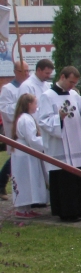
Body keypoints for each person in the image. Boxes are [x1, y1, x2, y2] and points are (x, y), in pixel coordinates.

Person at [38, 66, 81, 222]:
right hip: (60, 144)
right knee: (65, 179)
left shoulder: (74, 94)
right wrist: (58, 119)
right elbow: (42, 120)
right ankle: (67, 211)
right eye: (71, 82)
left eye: (75, 82)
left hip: (77, 140)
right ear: (62, 77)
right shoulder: (47, 96)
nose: (72, 86)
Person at [11, 94, 48, 217]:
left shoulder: (24, 117)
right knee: (25, 180)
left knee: (27, 180)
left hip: (24, 153)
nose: (36, 106)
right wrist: (46, 142)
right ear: (28, 104)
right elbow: (32, 139)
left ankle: (26, 208)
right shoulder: (26, 119)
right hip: (25, 154)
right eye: (35, 103)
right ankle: (22, 209)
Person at [0, 60, 31, 198]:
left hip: (29, 126)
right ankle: (1, 184)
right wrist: (21, 107)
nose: (26, 74)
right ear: (15, 72)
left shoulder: (29, 86)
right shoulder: (8, 89)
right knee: (15, 157)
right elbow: (5, 109)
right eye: (23, 71)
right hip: (15, 128)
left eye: (28, 71)